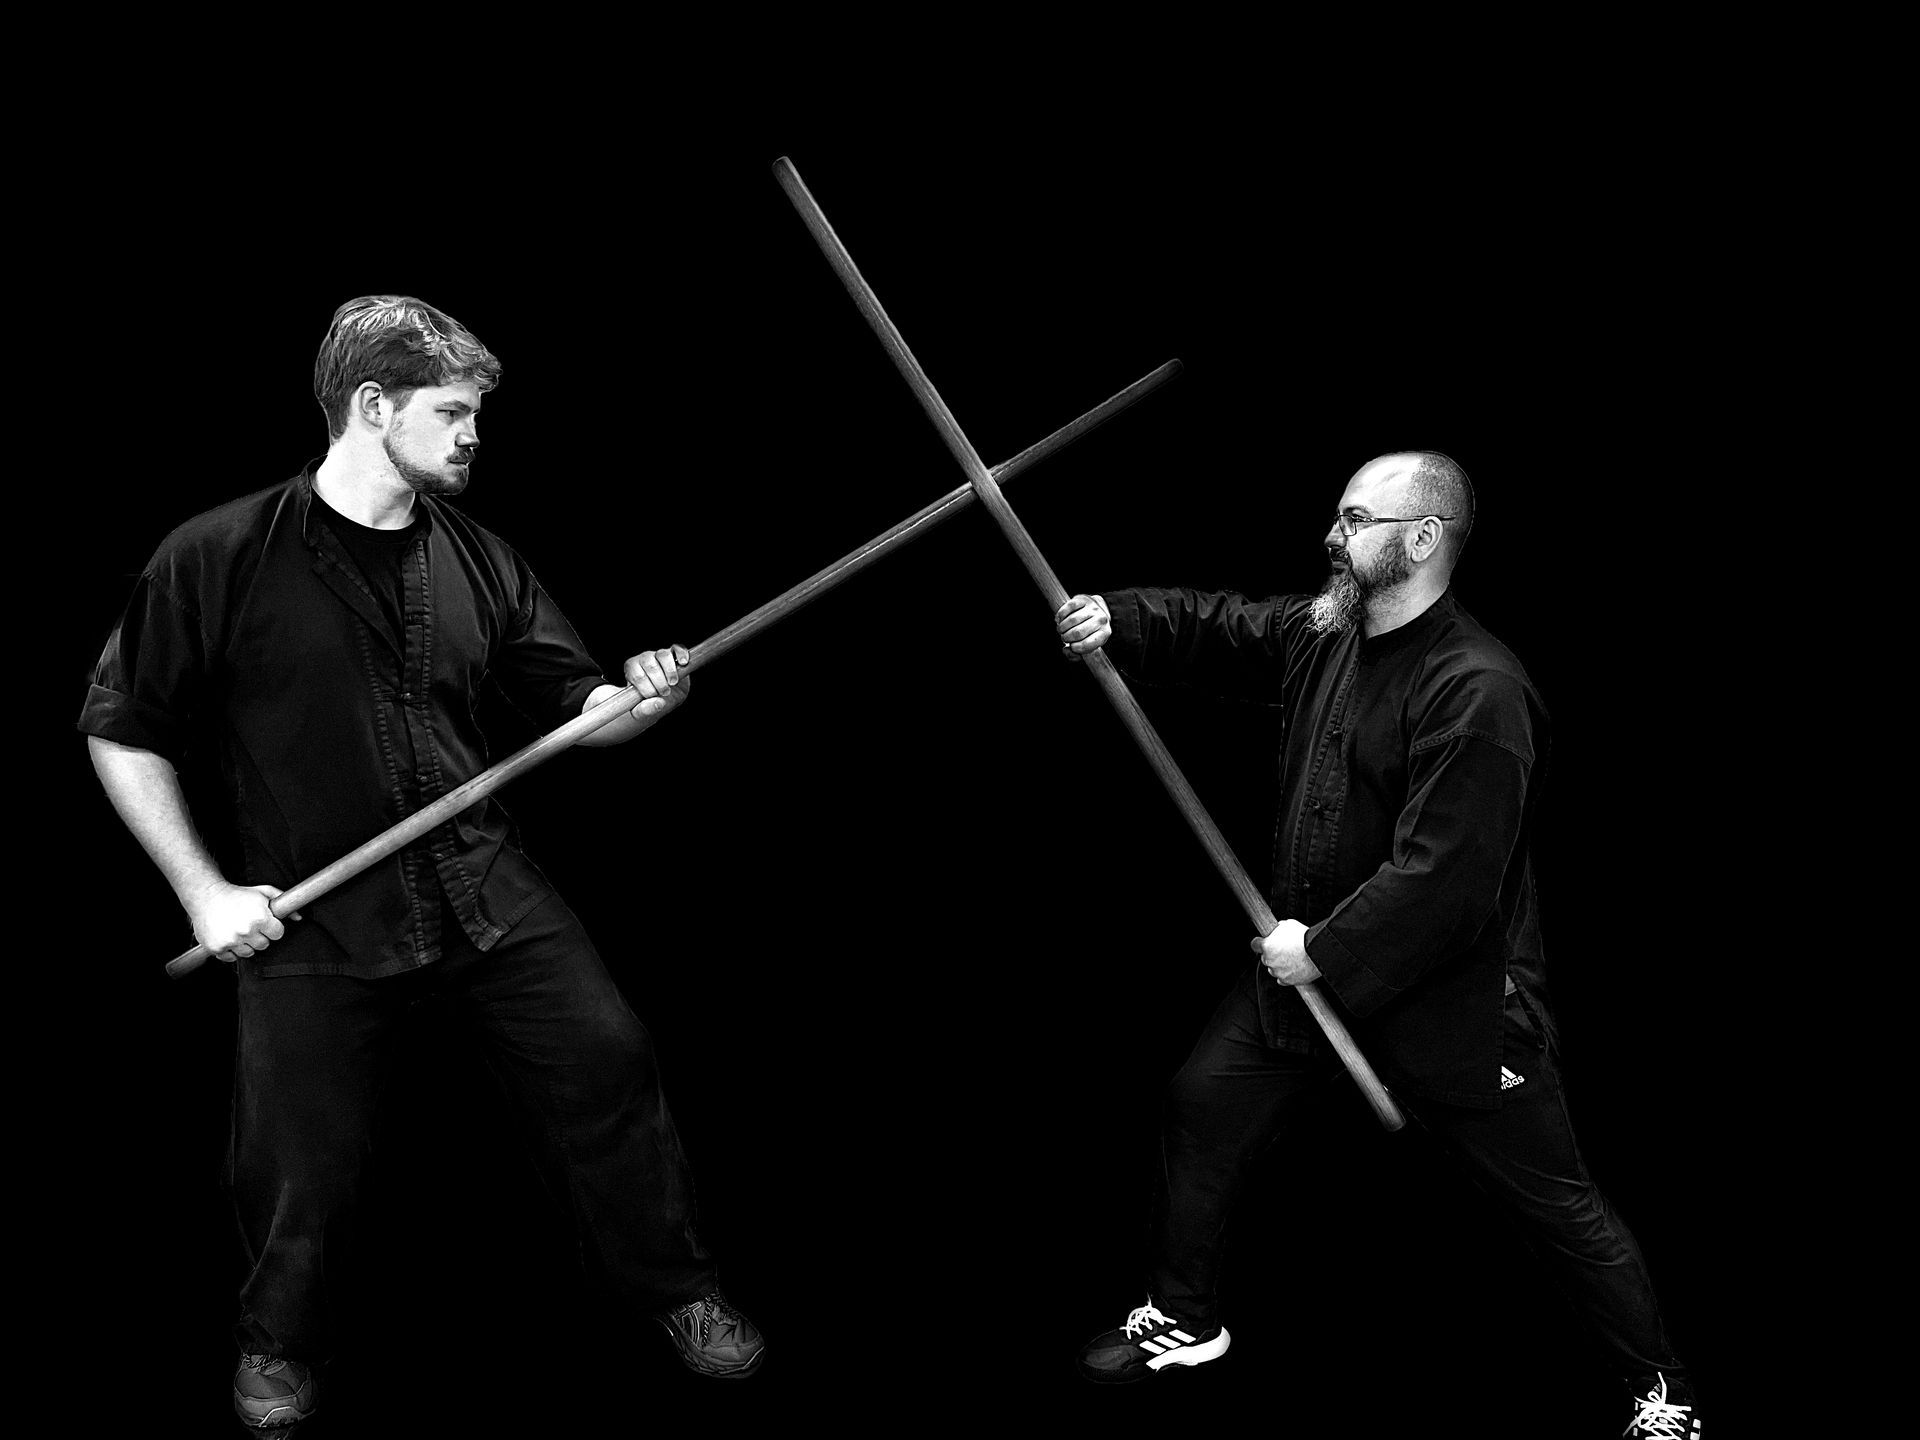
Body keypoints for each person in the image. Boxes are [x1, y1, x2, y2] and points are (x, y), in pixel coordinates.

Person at [79, 295, 765, 1428]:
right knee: (297, 1152)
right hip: (314, 909)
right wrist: (204, 895)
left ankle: (677, 1290)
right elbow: (123, 729)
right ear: (370, 406)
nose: (472, 435)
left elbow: (577, 704)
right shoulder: (217, 555)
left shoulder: (480, 558)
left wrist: (640, 700)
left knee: (609, 1058)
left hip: (479, 880)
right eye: (451, 412)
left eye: (474, 414)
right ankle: (276, 1343)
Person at [1052, 452, 1702, 1438]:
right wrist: (1121, 617)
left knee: (1558, 1206)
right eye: (1340, 516)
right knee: (1203, 1102)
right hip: (1307, 979)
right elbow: (1229, 624)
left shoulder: (1480, 689)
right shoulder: (1330, 633)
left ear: (1424, 537)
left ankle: (1663, 1392)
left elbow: (1447, 882)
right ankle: (1184, 1318)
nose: (1333, 536)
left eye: (1357, 521)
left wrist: (1322, 950)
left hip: (1451, 1001)